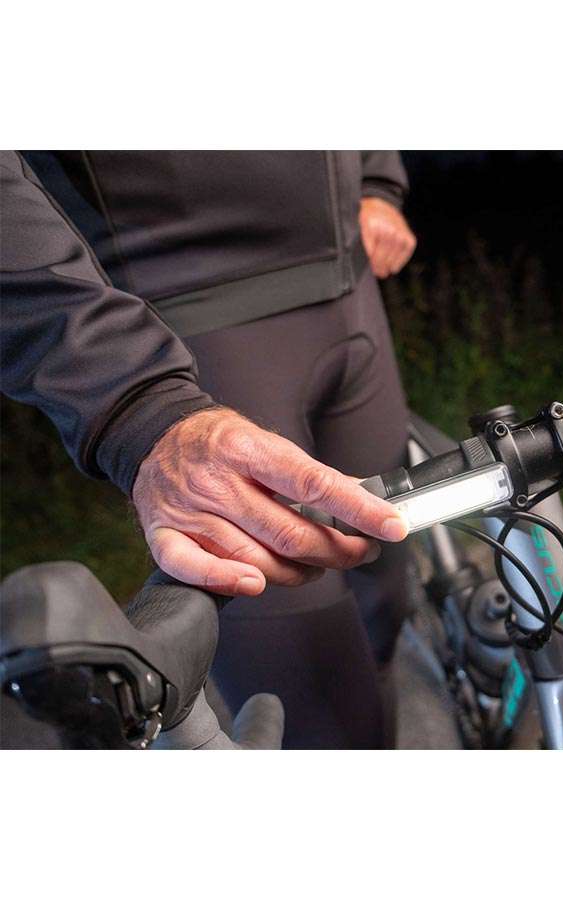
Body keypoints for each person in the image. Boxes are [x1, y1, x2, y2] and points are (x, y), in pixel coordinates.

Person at [0, 150, 418, 748]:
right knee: (329, 724)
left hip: (353, 294)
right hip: (193, 320)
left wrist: (377, 180)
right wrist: (136, 403)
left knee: (387, 610)